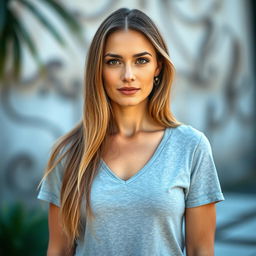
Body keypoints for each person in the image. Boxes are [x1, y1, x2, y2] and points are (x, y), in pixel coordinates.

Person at [37, 7, 225, 256]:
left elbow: (201, 249)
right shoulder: (69, 152)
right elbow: (59, 250)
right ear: (98, 70)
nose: (128, 75)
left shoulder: (191, 146)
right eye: (114, 62)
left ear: (158, 67)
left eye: (141, 60)